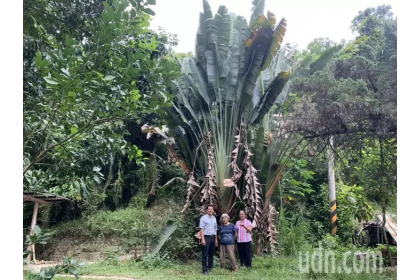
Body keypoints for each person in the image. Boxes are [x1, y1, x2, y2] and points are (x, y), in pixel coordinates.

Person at [199, 204, 218, 275]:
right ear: (207, 210)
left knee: (211, 254)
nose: (210, 210)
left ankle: (210, 268)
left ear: (213, 210)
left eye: (211, 209)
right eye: (209, 209)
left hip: (213, 237)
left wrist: (216, 240)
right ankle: (205, 270)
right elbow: (201, 229)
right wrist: (203, 239)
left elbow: (215, 229)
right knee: (205, 254)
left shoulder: (214, 218)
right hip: (206, 237)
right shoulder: (203, 218)